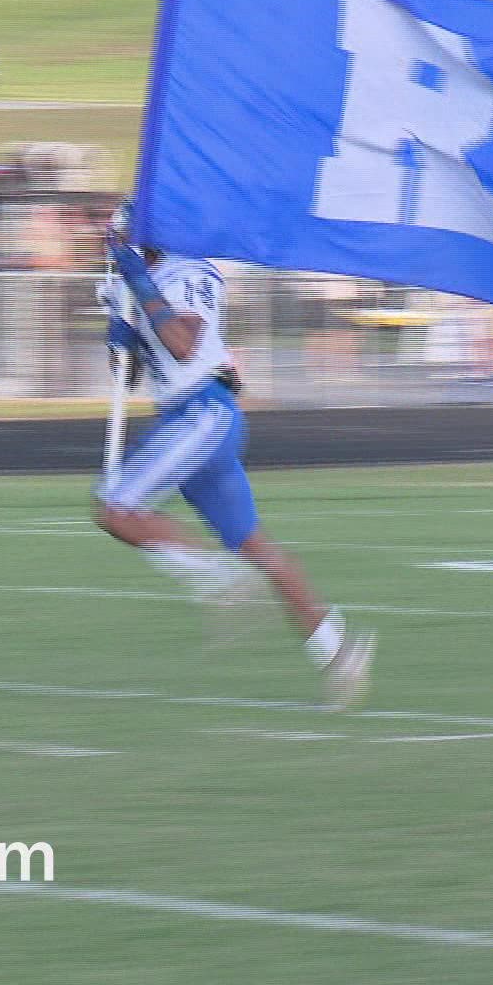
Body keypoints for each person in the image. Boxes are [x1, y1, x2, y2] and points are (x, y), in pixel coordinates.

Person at [96, 223, 374, 709]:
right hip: (185, 420)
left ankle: (219, 580)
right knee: (256, 545)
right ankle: (337, 650)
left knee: (115, 508)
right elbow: (131, 373)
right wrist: (119, 336)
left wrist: (139, 282)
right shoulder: (126, 281)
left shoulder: (188, 271)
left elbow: (183, 344)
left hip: (203, 412)